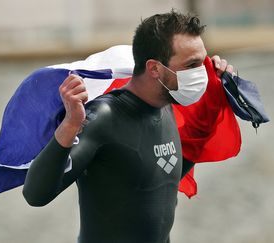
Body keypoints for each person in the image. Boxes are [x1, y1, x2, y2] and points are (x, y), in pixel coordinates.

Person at [23, 10, 234, 243]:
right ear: (154, 68)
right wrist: (70, 125)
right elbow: (36, 194)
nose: (200, 73)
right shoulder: (104, 117)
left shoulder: (166, 104)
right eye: (192, 65)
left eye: (202, 62)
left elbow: (158, 178)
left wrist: (215, 97)